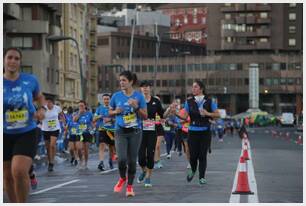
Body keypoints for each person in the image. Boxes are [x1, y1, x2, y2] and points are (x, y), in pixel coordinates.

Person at [4, 47, 45, 202]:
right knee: (7, 176)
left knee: (19, 171)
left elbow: (39, 96)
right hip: (4, 133)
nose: (12, 61)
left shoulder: (30, 80)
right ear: (3, 60)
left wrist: (40, 109)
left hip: (26, 132)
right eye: (9, 57)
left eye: (16, 58)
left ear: (20, 62)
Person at [169, 80, 220, 185]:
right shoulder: (189, 102)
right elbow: (184, 116)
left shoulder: (209, 101)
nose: (193, 89)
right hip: (192, 131)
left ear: (201, 88)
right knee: (192, 155)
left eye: (195, 87)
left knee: (202, 155)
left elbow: (217, 114)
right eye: (192, 87)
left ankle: (202, 177)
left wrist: (207, 113)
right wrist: (176, 113)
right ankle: (192, 170)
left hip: (205, 131)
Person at [109, 71, 147, 197]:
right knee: (122, 160)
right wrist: (115, 112)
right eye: (120, 80)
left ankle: (130, 187)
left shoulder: (139, 96)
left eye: (124, 80)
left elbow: (145, 116)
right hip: (120, 131)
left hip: (135, 132)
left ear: (131, 82)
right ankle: (122, 178)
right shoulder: (116, 96)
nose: (121, 83)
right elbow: (109, 112)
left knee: (131, 161)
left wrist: (136, 107)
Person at [137, 80, 164, 187]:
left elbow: (162, 115)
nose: (145, 88)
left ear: (150, 88)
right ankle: (144, 170)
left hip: (152, 131)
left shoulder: (155, 101)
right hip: (140, 131)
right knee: (141, 158)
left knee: (150, 155)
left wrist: (170, 111)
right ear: (140, 89)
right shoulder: (137, 101)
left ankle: (148, 177)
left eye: (147, 86)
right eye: (143, 87)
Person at [94, 93, 116, 171]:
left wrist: (110, 119)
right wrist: (99, 116)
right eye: (105, 99)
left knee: (111, 147)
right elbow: (94, 119)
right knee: (102, 144)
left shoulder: (113, 108)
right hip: (102, 129)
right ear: (102, 100)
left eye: (107, 99)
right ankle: (101, 162)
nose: (106, 100)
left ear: (110, 100)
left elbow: (118, 119)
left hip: (112, 130)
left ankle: (110, 160)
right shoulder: (99, 108)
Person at [41, 96, 63, 172]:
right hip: (45, 129)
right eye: (47, 102)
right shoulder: (43, 108)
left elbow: (62, 115)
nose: (48, 104)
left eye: (49, 102)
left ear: (52, 103)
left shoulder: (57, 108)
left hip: (55, 128)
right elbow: (39, 117)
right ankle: (49, 161)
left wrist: (64, 122)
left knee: (52, 145)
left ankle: (52, 162)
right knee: (47, 147)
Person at [73, 100, 94, 169]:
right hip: (79, 133)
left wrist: (92, 129)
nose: (81, 107)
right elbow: (74, 120)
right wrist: (79, 113)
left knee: (85, 149)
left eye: (82, 105)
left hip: (87, 133)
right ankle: (81, 161)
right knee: (79, 148)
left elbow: (93, 122)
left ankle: (86, 163)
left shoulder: (89, 113)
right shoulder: (76, 113)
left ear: (85, 106)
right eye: (79, 106)